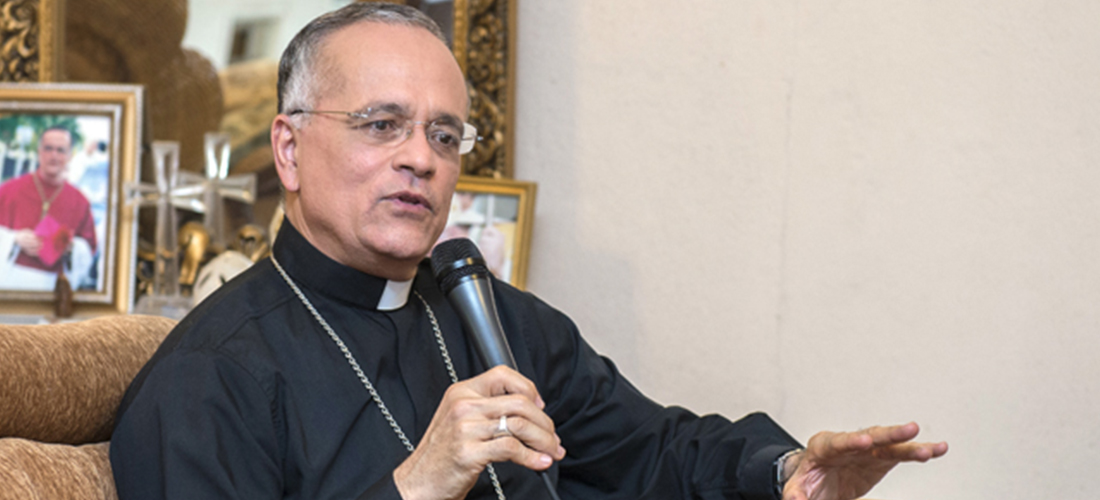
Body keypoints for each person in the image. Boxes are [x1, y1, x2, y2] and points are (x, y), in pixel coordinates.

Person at [109, 4, 947, 500]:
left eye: (444, 133)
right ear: (287, 150)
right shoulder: (209, 377)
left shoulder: (490, 316)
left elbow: (651, 450)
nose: (421, 158)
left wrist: (789, 471)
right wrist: (414, 486)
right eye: (381, 125)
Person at [0, 126, 97, 290]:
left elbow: (89, 248)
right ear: (39, 151)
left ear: (70, 155)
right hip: (9, 281)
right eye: (48, 148)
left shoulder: (80, 201)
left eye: (60, 150)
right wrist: (14, 239)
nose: (54, 155)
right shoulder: (9, 190)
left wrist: (71, 248)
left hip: (56, 286)